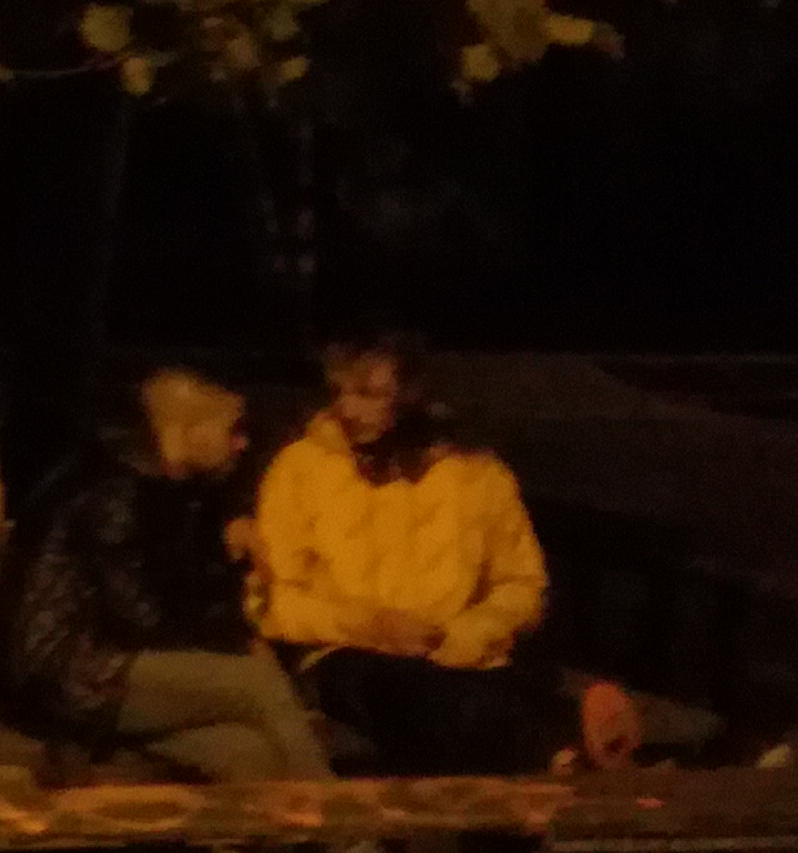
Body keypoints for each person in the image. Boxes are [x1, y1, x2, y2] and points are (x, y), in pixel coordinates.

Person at [0, 369, 471, 853]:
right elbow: (147, 618)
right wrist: (228, 594)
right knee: (252, 682)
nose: (243, 444)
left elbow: (177, 602)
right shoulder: (115, 491)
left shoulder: (166, 487)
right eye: (233, 430)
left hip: (110, 675)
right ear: (188, 430)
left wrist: (226, 550)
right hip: (65, 674)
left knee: (250, 759)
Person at [256, 334, 627, 779]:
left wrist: (470, 632)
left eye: (368, 395)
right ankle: (564, 747)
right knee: (410, 689)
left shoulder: (475, 472)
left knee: (468, 688)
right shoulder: (301, 468)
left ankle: (567, 753)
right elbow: (272, 597)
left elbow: (521, 582)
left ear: (412, 396)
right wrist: (369, 626)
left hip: (458, 654)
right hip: (345, 653)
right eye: (338, 392)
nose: (347, 409)